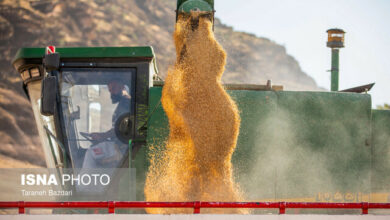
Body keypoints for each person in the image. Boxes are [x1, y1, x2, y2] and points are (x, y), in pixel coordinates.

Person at [81, 79, 132, 169]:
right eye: (110, 90)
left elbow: (122, 129)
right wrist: (103, 137)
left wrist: (103, 136)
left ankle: (84, 183)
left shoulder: (126, 103)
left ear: (122, 87)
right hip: (118, 144)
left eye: (113, 89)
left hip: (121, 147)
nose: (111, 93)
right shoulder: (123, 104)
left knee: (91, 153)